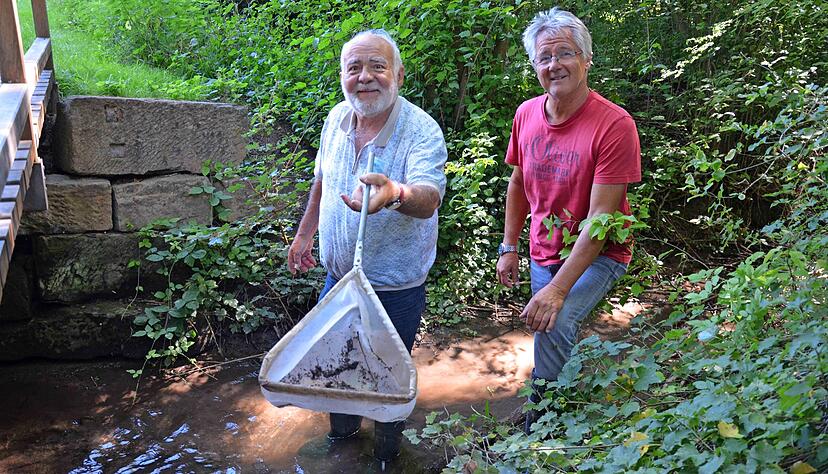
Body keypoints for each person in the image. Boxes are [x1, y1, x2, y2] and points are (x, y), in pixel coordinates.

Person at [286, 29, 447, 461]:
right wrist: (305, 234)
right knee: (336, 368)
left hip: (394, 288)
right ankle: (342, 442)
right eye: (354, 68)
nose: (365, 77)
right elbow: (322, 181)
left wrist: (395, 193)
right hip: (338, 279)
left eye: (377, 66)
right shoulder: (336, 118)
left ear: (397, 73)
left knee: (386, 376)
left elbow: (429, 198)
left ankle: (386, 456)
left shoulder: (421, 130)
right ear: (342, 74)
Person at [495, 8, 642, 434]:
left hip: (603, 250)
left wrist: (559, 290)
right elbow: (519, 182)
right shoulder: (526, 114)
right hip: (546, 245)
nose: (554, 64)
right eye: (544, 57)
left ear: (586, 60)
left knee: (554, 319)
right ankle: (562, 403)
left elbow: (600, 220)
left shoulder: (614, 124)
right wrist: (509, 247)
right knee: (549, 328)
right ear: (535, 66)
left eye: (565, 53)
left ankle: (544, 421)